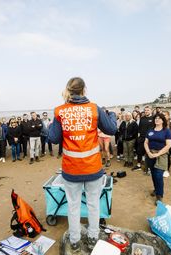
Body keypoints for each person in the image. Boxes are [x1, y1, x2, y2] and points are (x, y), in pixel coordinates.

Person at [49, 77, 117, 252]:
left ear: (68, 90)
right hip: (93, 168)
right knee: (93, 204)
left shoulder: (60, 111)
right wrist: (112, 115)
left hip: (71, 170)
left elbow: (53, 138)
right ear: (84, 90)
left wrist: (52, 126)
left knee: (73, 206)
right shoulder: (94, 109)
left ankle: (75, 241)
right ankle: (93, 238)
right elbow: (111, 129)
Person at [144, 113, 171, 204]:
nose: (157, 119)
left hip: (161, 155)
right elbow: (146, 142)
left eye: (159, 118)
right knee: (153, 173)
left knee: (158, 175)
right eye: (156, 118)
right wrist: (148, 152)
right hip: (150, 154)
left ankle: (159, 195)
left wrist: (158, 154)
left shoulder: (166, 131)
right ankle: (156, 190)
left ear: (163, 120)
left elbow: (168, 145)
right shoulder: (150, 130)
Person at [132, 105, 154, 172]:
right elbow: (139, 128)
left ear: (151, 110)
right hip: (141, 138)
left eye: (148, 110)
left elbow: (154, 129)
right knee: (139, 152)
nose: (146, 111)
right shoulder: (142, 118)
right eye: (145, 110)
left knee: (148, 152)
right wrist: (138, 137)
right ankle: (138, 165)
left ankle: (148, 167)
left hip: (149, 139)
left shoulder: (154, 118)